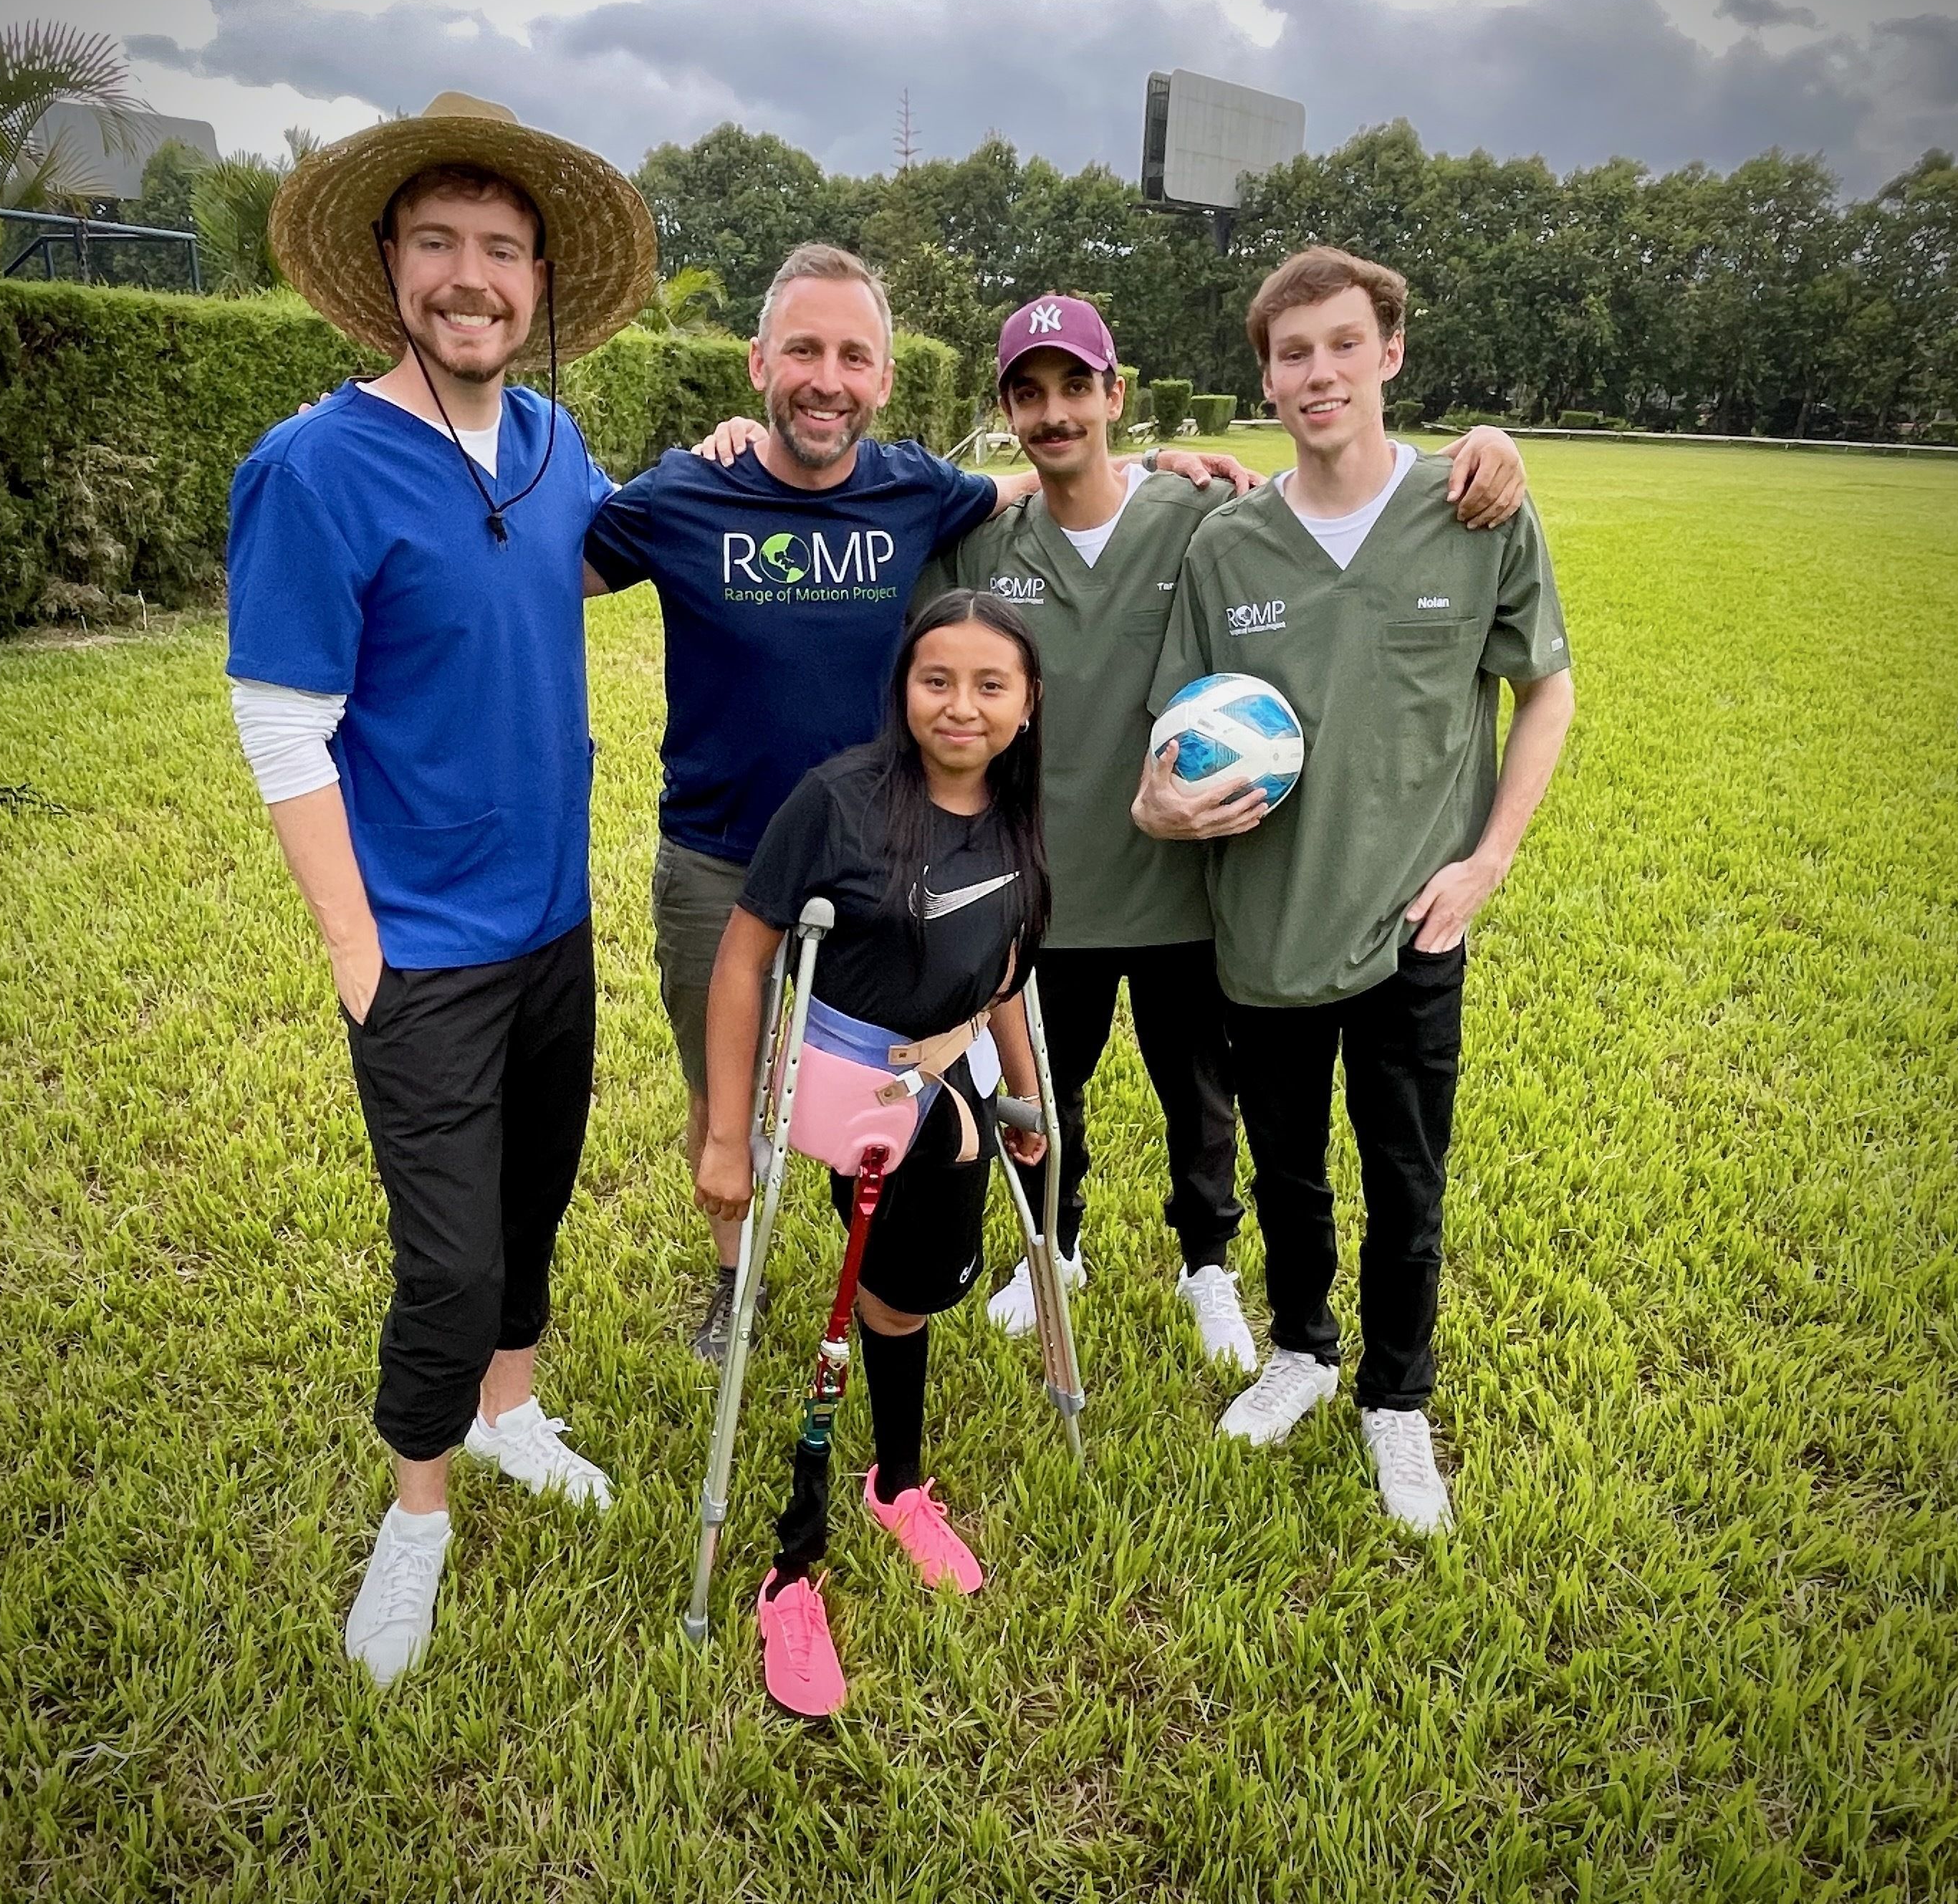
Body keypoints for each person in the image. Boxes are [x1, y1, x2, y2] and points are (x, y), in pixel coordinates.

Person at [585, 242, 1252, 1364]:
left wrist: (1163, 465)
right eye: (803, 349)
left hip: (895, 857)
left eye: (855, 355)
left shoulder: (913, 489)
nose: (827, 378)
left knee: (892, 1085)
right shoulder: (684, 493)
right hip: (718, 860)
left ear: (885, 381)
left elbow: (1049, 473)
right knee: (727, 1099)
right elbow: (539, 567)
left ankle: (887, 1268)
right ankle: (729, 1277)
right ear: (757, 363)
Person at [226, 92, 656, 1683]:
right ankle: (417, 1515)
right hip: (419, 952)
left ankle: (512, 1414)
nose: (471, 278)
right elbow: (282, 721)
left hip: (554, 920)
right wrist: (359, 952)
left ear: (537, 282)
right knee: (449, 1258)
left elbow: (596, 554)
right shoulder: (314, 469)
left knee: (533, 1202)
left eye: (500, 249)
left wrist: (741, 464)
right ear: (389, 271)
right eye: (438, 245)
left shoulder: (551, 443)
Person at [922, 295, 1529, 1372]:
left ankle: (1207, 1262)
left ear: (1116, 394)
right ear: (1009, 412)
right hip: (1045, 883)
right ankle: (1051, 1247)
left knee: (1201, 1096)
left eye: (1077, 387)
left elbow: (1323, 502)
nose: (1056, 413)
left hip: (1185, 882)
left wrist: (1478, 446)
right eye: (1030, 393)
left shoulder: (1196, 514)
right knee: (1046, 1088)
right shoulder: (981, 542)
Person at [1139, 245, 1574, 1533]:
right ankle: (1303, 1351)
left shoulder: (1475, 507)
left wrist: (1488, 861)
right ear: (1265, 379)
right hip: (1265, 923)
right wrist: (1159, 801)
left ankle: (1396, 1399)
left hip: (1413, 924)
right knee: (1286, 1171)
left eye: (1341, 345)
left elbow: (1544, 685)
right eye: (1291, 353)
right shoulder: (1230, 548)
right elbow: (1173, 732)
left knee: (1404, 1179)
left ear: (1389, 354)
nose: (1317, 372)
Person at [693, 590, 1052, 1716]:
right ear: (903, 688)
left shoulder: (1021, 814)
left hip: (950, 1092)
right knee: (858, 1300)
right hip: (846, 1090)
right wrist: (724, 1132)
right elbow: (745, 962)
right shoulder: (836, 802)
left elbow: (1002, 972)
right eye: (936, 679)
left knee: (908, 1300)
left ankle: (896, 1484)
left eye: (991, 684)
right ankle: (791, 1561)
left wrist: (1028, 1090)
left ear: (1028, 704)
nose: (961, 705)